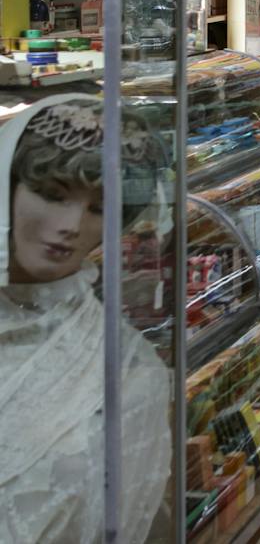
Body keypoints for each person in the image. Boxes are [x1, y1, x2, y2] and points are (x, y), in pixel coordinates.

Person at [0, 97, 169, 540]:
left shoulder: (130, 373)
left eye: (98, 209)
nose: (71, 225)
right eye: (53, 196)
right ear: (9, 188)